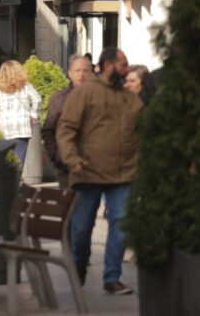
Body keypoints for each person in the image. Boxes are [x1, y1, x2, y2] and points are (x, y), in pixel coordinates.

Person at [56, 47, 142, 295]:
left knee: (122, 222)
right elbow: (66, 129)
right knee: (81, 228)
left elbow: (145, 129)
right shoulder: (85, 94)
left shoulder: (129, 98)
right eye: (123, 64)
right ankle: (80, 265)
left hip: (123, 175)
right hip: (87, 173)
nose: (126, 69)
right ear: (107, 66)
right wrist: (72, 159)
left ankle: (112, 277)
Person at [41, 55, 92, 189]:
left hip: (95, 167)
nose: (81, 75)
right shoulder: (59, 99)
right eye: (77, 71)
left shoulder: (100, 97)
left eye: (85, 71)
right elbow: (48, 130)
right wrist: (57, 157)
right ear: (69, 73)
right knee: (71, 207)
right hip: (67, 167)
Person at [0, 60, 42, 163]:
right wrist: (33, 115)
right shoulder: (26, 86)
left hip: (5, 128)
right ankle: (16, 177)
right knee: (19, 160)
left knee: (6, 160)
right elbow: (37, 99)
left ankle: (7, 178)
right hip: (22, 127)